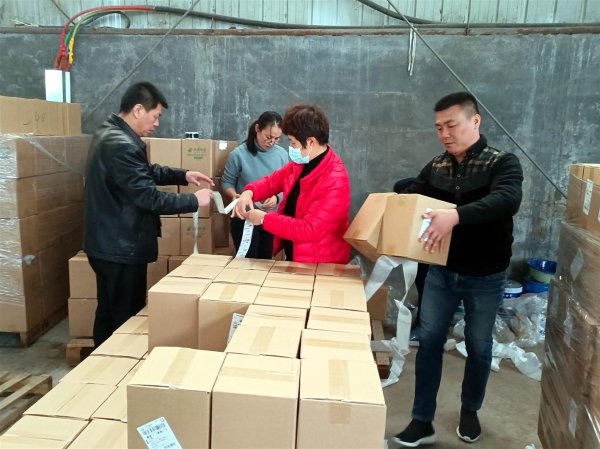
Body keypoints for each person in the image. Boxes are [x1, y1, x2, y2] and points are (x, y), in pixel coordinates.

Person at [394, 92, 523, 447]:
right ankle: (422, 420)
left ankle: (470, 410)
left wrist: (456, 215)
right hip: (441, 272)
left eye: (451, 125)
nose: (444, 134)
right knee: (429, 342)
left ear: (475, 121)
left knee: (478, 346)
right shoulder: (437, 166)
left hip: (485, 275)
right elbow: (417, 190)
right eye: (439, 127)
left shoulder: (502, 162)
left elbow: (507, 199)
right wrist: (401, 196)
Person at [84, 81, 213, 347]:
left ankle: (102, 361)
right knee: (124, 318)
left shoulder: (110, 132)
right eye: (155, 116)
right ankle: (117, 364)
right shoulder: (122, 144)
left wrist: (183, 175)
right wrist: (193, 200)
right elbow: (148, 197)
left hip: (108, 242)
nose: (157, 123)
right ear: (138, 110)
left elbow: (144, 171)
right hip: (121, 246)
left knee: (108, 310)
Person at [232, 104, 350, 264]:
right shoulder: (302, 162)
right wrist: (250, 192)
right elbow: (273, 181)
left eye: (293, 143)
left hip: (319, 262)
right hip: (296, 255)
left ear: (310, 142)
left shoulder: (334, 179)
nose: (290, 148)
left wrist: (264, 219)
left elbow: (309, 229)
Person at [222, 111, 289, 258]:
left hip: (270, 218)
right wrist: (234, 195)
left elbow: (288, 185)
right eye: (268, 137)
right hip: (244, 217)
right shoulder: (238, 154)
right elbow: (227, 182)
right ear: (257, 128)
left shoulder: (283, 155)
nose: (272, 142)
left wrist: (277, 198)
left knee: (265, 261)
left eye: (277, 139)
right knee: (247, 262)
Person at [393, 177, 429, 344]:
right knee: (421, 286)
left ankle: (422, 325)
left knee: (426, 289)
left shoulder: (427, 211)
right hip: (419, 255)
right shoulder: (408, 212)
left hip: (431, 256)